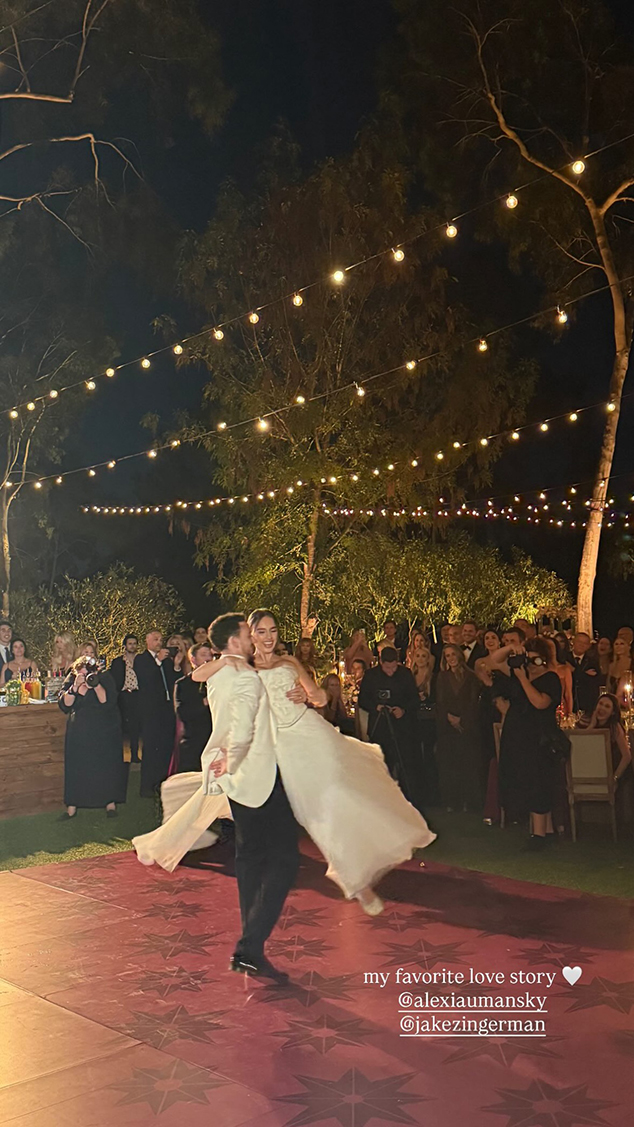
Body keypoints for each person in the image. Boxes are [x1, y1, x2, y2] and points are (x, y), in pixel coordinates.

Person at [243, 610, 435, 913]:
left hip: (308, 734)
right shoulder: (244, 669)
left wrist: (303, 695)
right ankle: (352, 880)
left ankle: (364, 867)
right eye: (262, 632)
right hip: (276, 744)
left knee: (336, 796)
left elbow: (320, 698)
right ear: (251, 634)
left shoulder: (290, 662)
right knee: (302, 812)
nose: (269, 638)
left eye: (273, 631)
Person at [488, 635, 563, 848]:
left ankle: (539, 835)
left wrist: (523, 678)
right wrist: (513, 647)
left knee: (538, 781)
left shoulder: (550, 678)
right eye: (529, 659)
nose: (532, 663)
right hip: (517, 734)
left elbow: (540, 702)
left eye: (536, 659)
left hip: (538, 737)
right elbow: (495, 659)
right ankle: (545, 832)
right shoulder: (518, 672)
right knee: (524, 779)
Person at [357, 647, 427, 812]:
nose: (390, 671)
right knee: (381, 765)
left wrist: (403, 710)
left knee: (406, 764)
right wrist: (377, 707)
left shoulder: (405, 675)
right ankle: (380, 802)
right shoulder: (371, 676)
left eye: (393, 667)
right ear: (381, 663)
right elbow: (363, 699)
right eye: (387, 668)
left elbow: (414, 700)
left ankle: (409, 800)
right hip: (380, 728)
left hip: (403, 729)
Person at [59, 655, 126, 819]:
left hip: (103, 729)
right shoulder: (72, 679)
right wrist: (75, 687)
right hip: (79, 730)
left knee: (105, 766)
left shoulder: (104, 677)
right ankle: (72, 807)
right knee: (77, 768)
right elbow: (65, 705)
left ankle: (109, 803)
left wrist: (94, 684)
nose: (84, 675)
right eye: (80, 672)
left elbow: (107, 701)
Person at [435, 644, 483, 811]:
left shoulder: (471, 676)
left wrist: (462, 721)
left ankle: (468, 802)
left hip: (467, 726)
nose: (451, 658)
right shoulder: (442, 677)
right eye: (447, 656)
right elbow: (440, 702)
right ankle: (451, 801)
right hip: (447, 727)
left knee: (467, 764)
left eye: (453, 654)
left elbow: (473, 703)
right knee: (449, 765)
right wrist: (450, 718)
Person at [134, 630, 177, 796]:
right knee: (151, 746)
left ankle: (164, 783)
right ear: (147, 641)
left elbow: (173, 680)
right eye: (155, 639)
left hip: (166, 708)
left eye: (160, 639)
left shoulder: (165, 660)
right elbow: (145, 679)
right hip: (150, 710)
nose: (159, 642)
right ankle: (147, 787)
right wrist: (158, 661)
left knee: (166, 745)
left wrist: (176, 664)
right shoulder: (141, 659)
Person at [172, 643, 214, 772]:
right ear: (193, 660)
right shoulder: (183, 684)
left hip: (215, 741)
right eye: (203, 655)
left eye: (210, 655)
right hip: (193, 741)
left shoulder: (218, 682)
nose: (208, 659)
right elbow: (183, 713)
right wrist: (203, 703)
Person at [586, 693, 632, 788]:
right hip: (599, 771)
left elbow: (626, 756)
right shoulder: (589, 723)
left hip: (617, 771)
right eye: (600, 704)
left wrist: (614, 778)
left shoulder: (615, 727)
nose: (602, 708)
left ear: (612, 712)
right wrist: (591, 726)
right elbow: (583, 745)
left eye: (607, 706)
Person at [110, 634, 141, 763]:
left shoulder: (141, 660)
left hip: (137, 694)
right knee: (121, 725)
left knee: (135, 726)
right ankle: (119, 755)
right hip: (123, 695)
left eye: (134, 643)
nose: (132, 646)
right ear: (125, 646)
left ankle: (135, 754)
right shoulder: (118, 662)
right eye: (130, 643)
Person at [569, 632, 601, 716]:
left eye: (585, 643)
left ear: (589, 646)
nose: (581, 645)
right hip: (568, 699)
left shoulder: (592, 661)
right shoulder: (564, 658)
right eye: (579, 642)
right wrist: (584, 674)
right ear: (573, 642)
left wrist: (575, 671)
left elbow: (593, 680)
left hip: (586, 702)